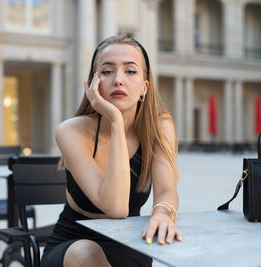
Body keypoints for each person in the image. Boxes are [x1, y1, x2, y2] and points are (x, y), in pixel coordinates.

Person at [41, 35, 182, 267]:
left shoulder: (160, 126)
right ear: (93, 85)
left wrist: (163, 213)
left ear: (144, 87)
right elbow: (116, 207)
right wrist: (116, 121)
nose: (118, 80)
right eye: (107, 72)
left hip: (128, 244)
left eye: (130, 71)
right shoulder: (71, 131)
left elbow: (167, 189)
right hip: (74, 245)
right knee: (87, 253)